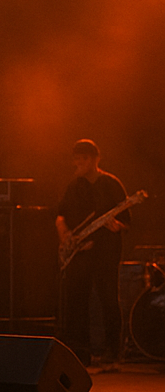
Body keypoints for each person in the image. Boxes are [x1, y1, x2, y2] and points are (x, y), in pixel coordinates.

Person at [56, 139, 130, 367]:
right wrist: (66, 236)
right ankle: (79, 352)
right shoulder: (74, 186)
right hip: (79, 253)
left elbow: (125, 219)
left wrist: (116, 225)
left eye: (84, 158)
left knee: (108, 299)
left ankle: (113, 353)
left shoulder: (111, 184)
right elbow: (60, 216)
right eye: (76, 158)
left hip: (106, 252)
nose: (79, 162)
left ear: (96, 159)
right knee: (76, 301)